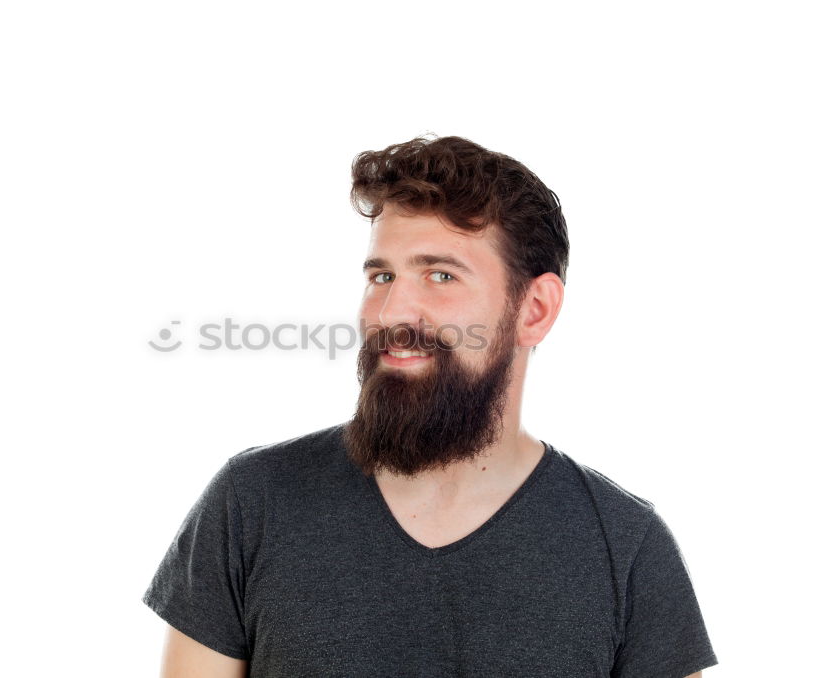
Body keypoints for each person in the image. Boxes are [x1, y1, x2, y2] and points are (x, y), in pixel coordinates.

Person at [142, 135, 718, 677]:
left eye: (441, 275)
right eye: (382, 275)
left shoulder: (627, 549)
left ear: (534, 310)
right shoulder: (251, 505)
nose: (393, 312)